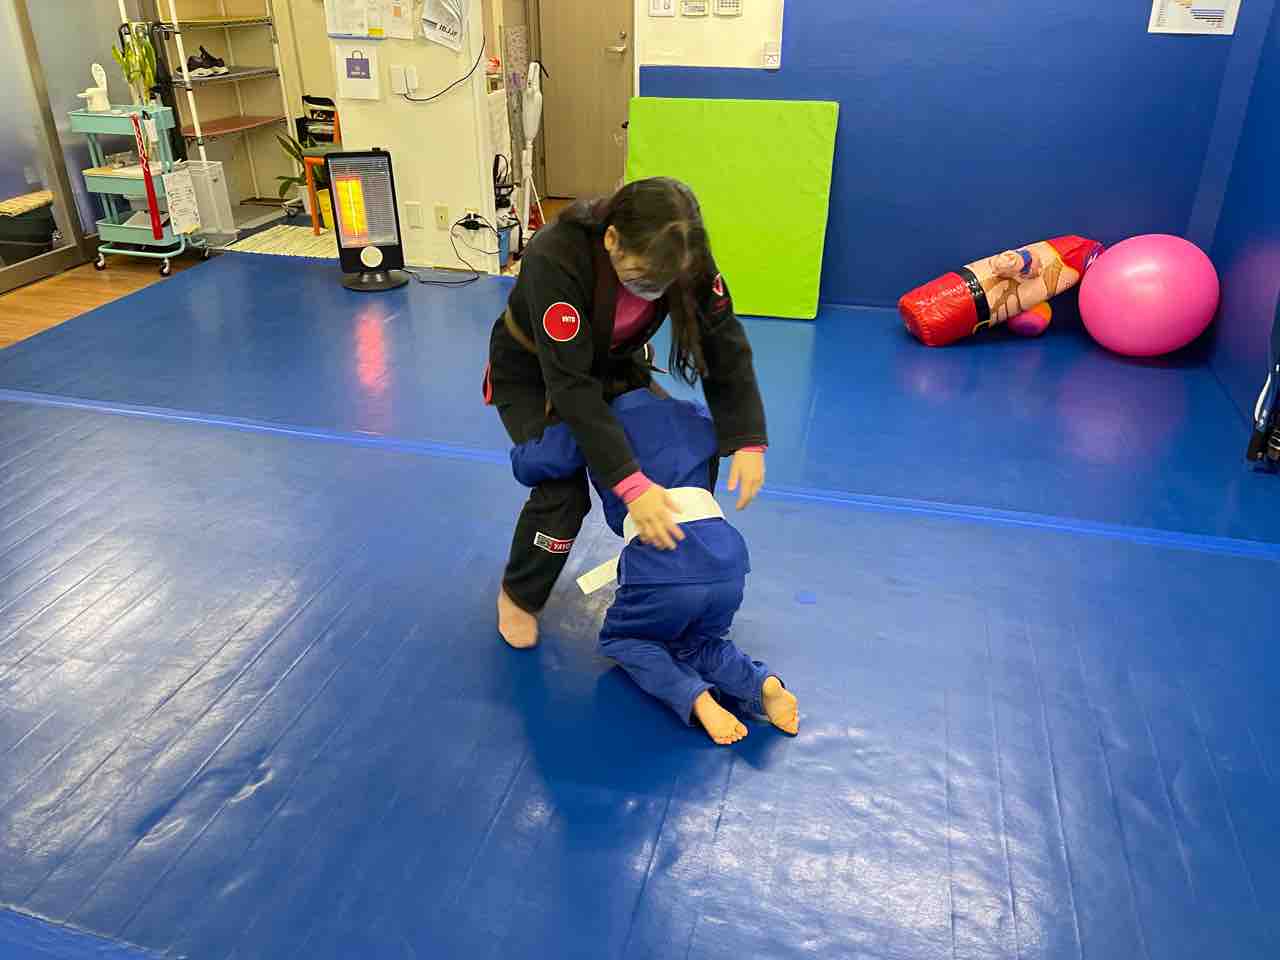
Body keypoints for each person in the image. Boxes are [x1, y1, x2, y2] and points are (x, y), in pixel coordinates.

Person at [483, 177, 768, 649]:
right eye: (640, 276)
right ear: (612, 238)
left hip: (614, 360)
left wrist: (748, 438)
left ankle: (671, 574)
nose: (651, 290)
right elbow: (572, 387)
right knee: (562, 491)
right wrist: (631, 485)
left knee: (677, 455)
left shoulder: (684, 252)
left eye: (663, 283)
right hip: (536, 371)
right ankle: (519, 594)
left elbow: (723, 341)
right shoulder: (556, 254)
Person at [510, 388, 798, 743]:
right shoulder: (694, 412)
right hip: (726, 556)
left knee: (624, 638)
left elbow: (531, 464)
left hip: (660, 563)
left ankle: (695, 698)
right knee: (697, 642)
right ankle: (761, 684)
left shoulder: (591, 421)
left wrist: (529, 432)